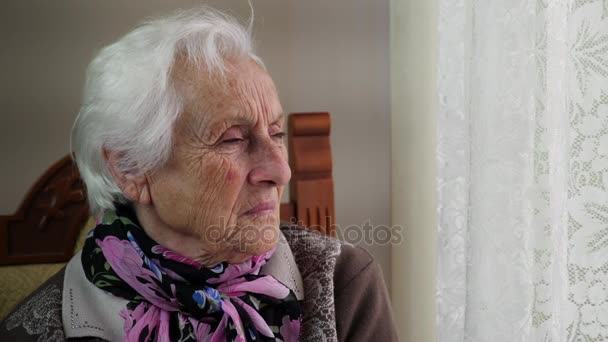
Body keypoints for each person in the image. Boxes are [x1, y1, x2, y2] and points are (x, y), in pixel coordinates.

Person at [0, 7, 397, 342]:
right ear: (132, 168)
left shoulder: (341, 284)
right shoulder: (38, 328)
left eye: (276, 133)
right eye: (232, 140)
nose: (281, 170)